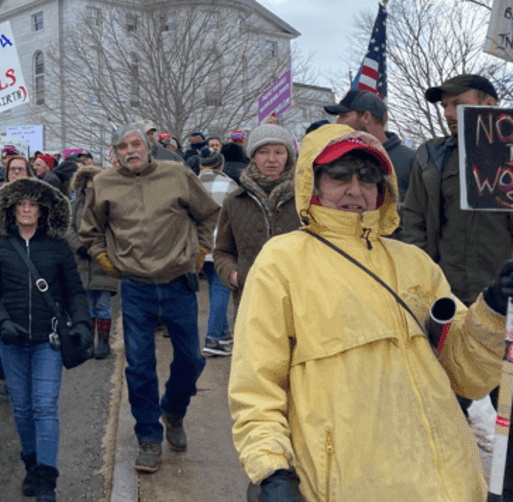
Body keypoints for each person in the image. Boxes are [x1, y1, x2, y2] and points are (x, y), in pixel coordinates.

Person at [228, 125, 507, 501]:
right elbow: (256, 384)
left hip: (446, 480)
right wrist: (272, 470)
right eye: (339, 174)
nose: (354, 189)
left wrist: (492, 308)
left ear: (383, 188)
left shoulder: (415, 264)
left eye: (368, 176)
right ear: (313, 180)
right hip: (348, 484)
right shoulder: (282, 260)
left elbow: (470, 378)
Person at [79, 124, 219, 475]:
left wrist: (201, 250)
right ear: (115, 153)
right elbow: (90, 230)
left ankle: (173, 410)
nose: (131, 150)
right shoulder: (104, 184)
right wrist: (103, 257)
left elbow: (209, 214)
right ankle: (148, 439)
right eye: (123, 146)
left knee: (191, 360)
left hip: (178, 283)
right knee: (139, 365)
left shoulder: (177, 174)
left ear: (148, 145)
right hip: (136, 287)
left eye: (136, 143)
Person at [0, 178, 89, 502]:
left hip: (48, 340)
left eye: (33, 204)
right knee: (24, 408)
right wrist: (1, 322)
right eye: (21, 204)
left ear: (42, 211)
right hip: (11, 341)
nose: (27, 209)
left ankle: (46, 481)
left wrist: (82, 323)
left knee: (44, 407)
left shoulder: (57, 247)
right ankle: (31, 465)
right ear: (12, 210)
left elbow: (74, 292)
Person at [401, 74, 510, 307]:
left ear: (489, 105)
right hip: (449, 297)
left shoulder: (508, 154)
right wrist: (421, 280)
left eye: (457, 104)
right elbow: (414, 222)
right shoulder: (431, 157)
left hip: (504, 297)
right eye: (444, 106)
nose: (447, 113)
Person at [212, 124, 300, 317]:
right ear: (252, 156)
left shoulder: (304, 197)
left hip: (300, 302)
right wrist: (236, 276)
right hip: (251, 302)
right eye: (263, 152)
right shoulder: (234, 201)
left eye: (279, 152)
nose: (271, 159)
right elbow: (222, 251)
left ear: (288, 156)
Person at [324, 88, 416, 200]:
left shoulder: (412, 161)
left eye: (344, 115)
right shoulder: (339, 157)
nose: (338, 122)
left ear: (366, 117)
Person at [66, 163, 117, 359]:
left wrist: (98, 249)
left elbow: (114, 230)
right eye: (88, 181)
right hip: (81, 261)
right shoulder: (75, 203)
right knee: (86, 305)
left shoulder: (109, 203)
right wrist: (79, 246)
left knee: (103, 305)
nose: (91, 184)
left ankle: (103, 342)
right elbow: (67, 228)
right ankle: (88, 342)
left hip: (102, 262)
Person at [194, 146, 238, 357]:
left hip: (198, 245)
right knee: (221, 292)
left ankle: (223, 333)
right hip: (222, 246)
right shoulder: (229, 184)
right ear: (220, 164)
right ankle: (212, 339)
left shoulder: (191, 183)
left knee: (214, 289)